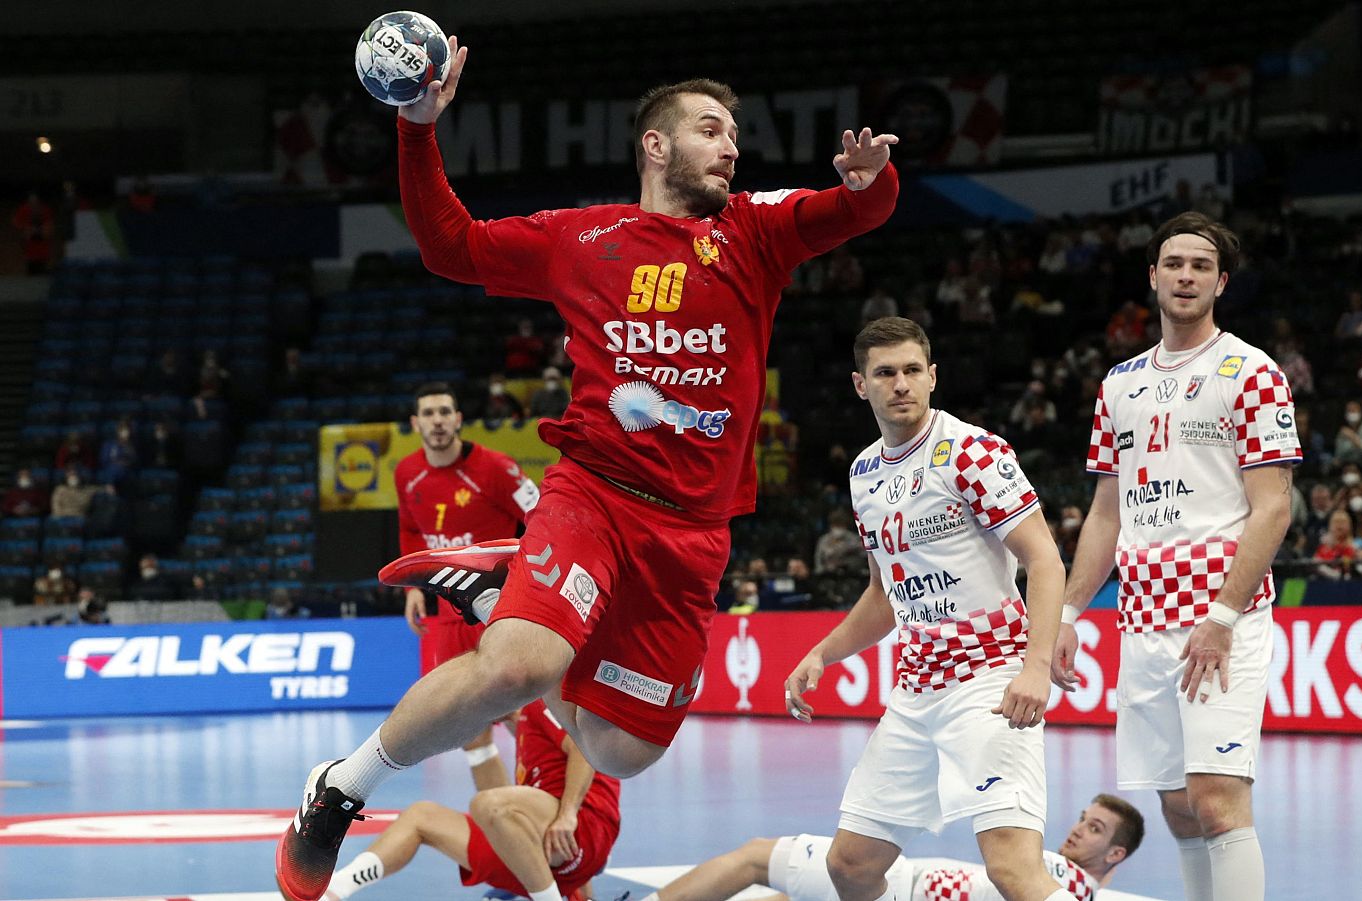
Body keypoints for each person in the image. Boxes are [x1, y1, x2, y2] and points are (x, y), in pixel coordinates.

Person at [276, 43, 899, 901]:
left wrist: (869, 182)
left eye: (734, 135)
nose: (731, 148)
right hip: (593, 493)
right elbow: (449, 245)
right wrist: (418, 131)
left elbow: (851, 214)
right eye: (711, 130)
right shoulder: (582, 238)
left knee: (619, 750)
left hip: (692, 533)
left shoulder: (752, 232)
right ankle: (342, 784)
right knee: (516, 669)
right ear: (655, 146)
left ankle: (504, 592)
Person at [1053, 212, 1297, 901]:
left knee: (1218, 798)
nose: (1185, 275)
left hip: (1221, 618)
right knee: (1179, 806)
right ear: (1152, 276)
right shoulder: (1118, 383)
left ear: (1220, 282)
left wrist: (1222, 614)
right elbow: (1107, 512)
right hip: (1145, 619)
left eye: (1199, 266)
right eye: (1173, 263)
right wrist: (1069, 611)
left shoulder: (1250, 370)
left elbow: (1274, 506)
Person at [784, 317, 1067, 901]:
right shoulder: (864, 473)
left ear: (933, 376)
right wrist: (824, 652)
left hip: (989, 682)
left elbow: (1044, 559)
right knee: (851, 866)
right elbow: (886, 594)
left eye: (913, 370)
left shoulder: (970, 451)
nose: (901, 384)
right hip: (916, 692)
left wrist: (1035, 666)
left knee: (1013, 869)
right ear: (861, 385)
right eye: (885, 373)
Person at [319, 700, 619, 901]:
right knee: (422, 816)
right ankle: (334, 890)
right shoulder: (525, 723)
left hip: (584, 824)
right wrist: (479, 746)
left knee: (489, 804)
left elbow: (584, 752)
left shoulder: (544, 701)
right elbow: (505, 824)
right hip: (557, 851)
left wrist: (568, 814)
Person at [395, 383, 541, 793]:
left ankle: (550, 799)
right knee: (468, 726)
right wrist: (412, 589)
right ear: (415, 423)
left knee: (521, 713)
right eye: (429, 413)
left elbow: (542, 517)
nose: (437, 420)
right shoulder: (406, 473)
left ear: (458, 419)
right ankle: (500, 818)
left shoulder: (496, 467)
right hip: (449, 613)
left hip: (500, 613)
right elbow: (410, 530)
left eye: (445, 412)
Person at [640, 794, 1144, 901]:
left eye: (1096, 830)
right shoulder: (1058, 874)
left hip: (896, 888)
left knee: (755, 856)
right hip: (903, 881)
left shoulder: (1064, 886)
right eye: (1083, 819)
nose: (1078, 830)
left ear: (1115, 855)